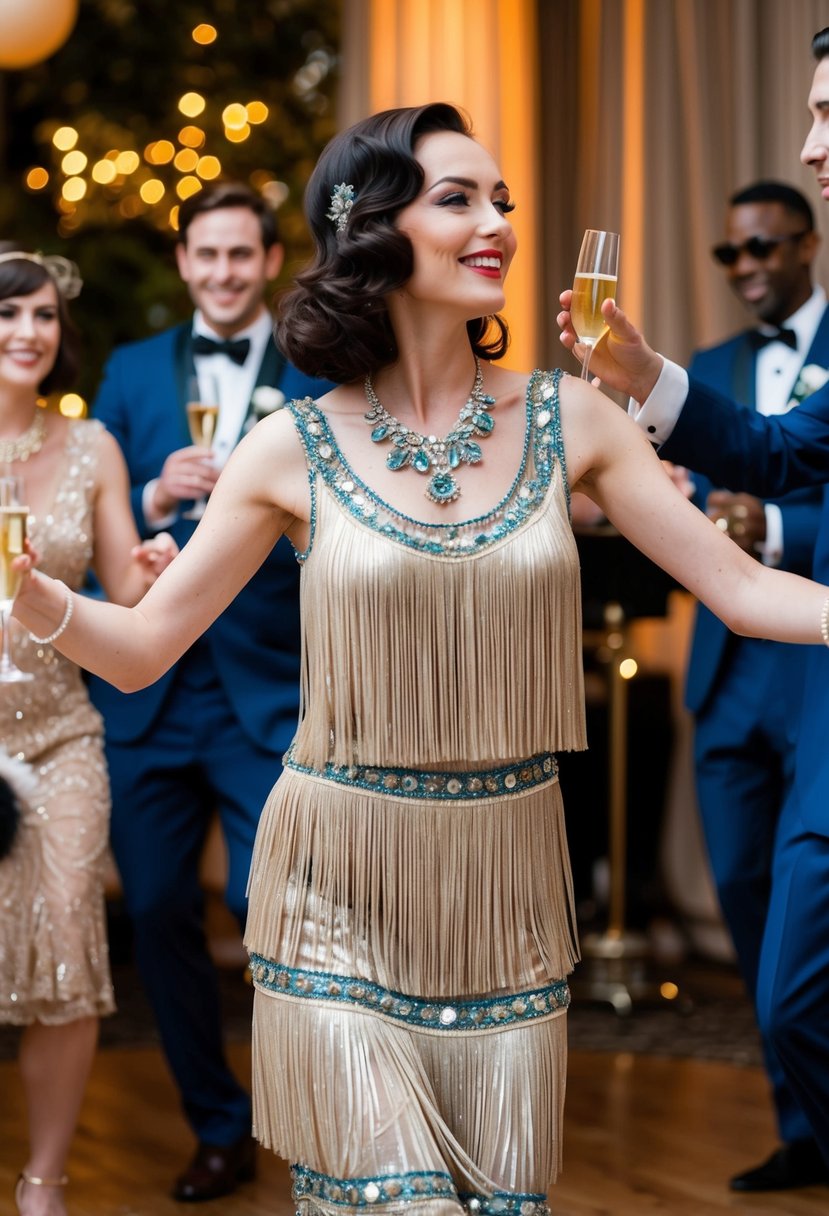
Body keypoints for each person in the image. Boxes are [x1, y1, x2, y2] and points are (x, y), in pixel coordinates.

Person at [11, 103, 829, 1216]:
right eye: (459, 198)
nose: (495, 220)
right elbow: (146, 648)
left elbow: (740, 588)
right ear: (372, 230)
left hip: (503, 891)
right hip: (333, 885)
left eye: (502, 201)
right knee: (400, 1202)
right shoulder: (284, 448)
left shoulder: (574, 418)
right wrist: (33, 594)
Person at [558, 26, 829, 1192]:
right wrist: (644, 376)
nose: (812, 144)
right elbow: (779, 449)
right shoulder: (727, 351)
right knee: (785, 976)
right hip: (764, 661)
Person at [88, 181, 333, 1202]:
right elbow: (92, 501)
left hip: (266, 682)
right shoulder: (130, 370)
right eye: (208, 256)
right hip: (149, 687)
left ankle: (315, 1120)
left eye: (243, 255)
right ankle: (219, 1127)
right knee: (153, 910)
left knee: (271, 909)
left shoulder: (319, 368)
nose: (225, 273)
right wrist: (152, 492)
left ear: (270, 263)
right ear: (184, 262)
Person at [0, 246, 174, 1216]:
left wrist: (147, 563)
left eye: (42, 316)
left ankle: (43, 1183)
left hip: (64, 738)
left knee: (67, 944)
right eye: (8, 314)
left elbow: (126, 597)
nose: (28, 332)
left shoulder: (96, 446)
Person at [685, 181, 827, 1192]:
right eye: (729, 255)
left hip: (815, 653)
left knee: (806, 908)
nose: (747, 269)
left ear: (807, 244)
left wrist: (768, 532)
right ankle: (801, 1127)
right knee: (740, 887)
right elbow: (687, 498)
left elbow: (785, 469)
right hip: (726, 666)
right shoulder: (706, 369)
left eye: (764, 248)